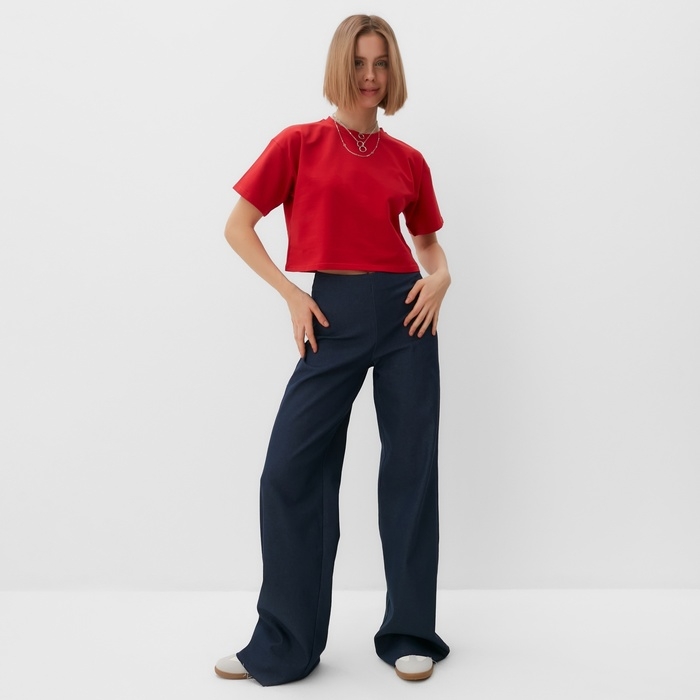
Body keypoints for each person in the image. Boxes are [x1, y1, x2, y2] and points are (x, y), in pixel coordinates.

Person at [214, 14, 451, 686]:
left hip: (407, 316)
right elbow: (238, 226)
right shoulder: (299, 143)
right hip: (330, 314)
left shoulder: (408, 160)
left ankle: (410, 632)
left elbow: (427, 244)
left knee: (410, 471)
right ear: (340, 67)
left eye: (381, 63)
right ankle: (285, 641)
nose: (370, 76)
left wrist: (441, 276)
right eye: (359, 63)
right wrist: (292, 295)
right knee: (290, 471)